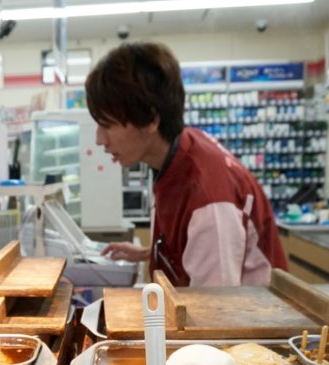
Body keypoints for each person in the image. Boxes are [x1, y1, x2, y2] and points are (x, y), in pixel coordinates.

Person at [86, 43, 288, 287]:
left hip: (250, 319)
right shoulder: (179, 152)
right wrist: (150, 253)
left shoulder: (208, 200)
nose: (99, 140)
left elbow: (215, 311)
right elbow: (197, 243)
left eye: (107, 125)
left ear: (150, 119)